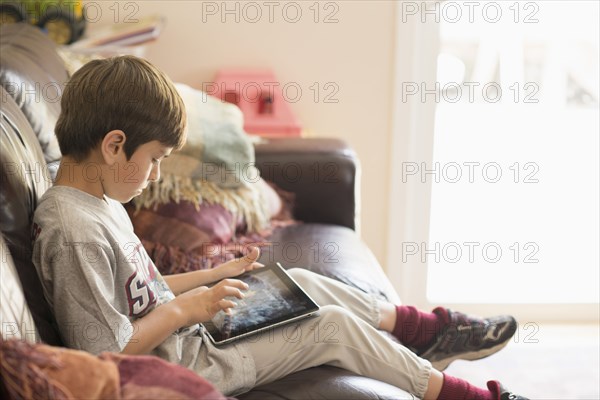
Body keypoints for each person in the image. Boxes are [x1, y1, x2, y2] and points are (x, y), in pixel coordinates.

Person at [32, 55, 528, 400]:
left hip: (190, 334)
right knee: (330, 327)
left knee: (300, 283)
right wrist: (189, 308)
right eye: (155, 159)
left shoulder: (99, 200)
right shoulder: (73, 229)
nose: (157, 174)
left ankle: (424, 331)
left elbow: (144, 290)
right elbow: (105, 350)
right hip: (183, 363)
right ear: (115, 145)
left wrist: (210, 278)